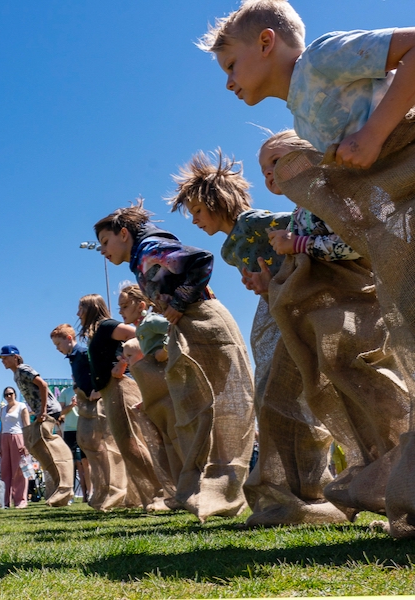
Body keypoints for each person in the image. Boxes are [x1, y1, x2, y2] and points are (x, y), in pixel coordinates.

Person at [167, 148, 346, 526]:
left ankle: (305, 493)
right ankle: (296, 492)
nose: (196, 220)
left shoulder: (255, 223)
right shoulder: (231, 246)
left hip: (296, 304)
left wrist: (283, 268)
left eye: (199, 210)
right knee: (274, 393)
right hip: (276, 305)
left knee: (285, 393)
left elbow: (301, 229)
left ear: (219, 201)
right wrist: (261, 282)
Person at [243, 130, 409, 519]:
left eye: (277, 161)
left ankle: (397, 481)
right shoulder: (301, 210)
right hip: (318, 314)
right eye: (264, 169)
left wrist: (296, 246)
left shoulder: (333, 192)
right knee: (325, 389)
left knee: (367, 384)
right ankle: (369, 484)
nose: (270, 174)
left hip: (352, 308)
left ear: (310, 157)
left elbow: (355, 242)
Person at [94, 202, 255, 521]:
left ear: (123, 234)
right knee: (197, 413)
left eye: (105, 242)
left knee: (219, 411)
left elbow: (200, 260)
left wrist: (179, 302)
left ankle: (221, 493)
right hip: (195, 326)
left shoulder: (149, 247)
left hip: (206, 323)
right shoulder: (142, 253)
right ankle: (195, 491)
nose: (103, 250)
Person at [200, 0, 415, 169]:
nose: (228, 83)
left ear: (265, 43)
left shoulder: (320, 59)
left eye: (231, 66)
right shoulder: (301, 126)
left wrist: (372, 134)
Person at [78, 293, 165, 511]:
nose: (78, 314)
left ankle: (163, 491)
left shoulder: (107, 326)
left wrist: (124, 363)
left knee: (132, 443)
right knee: (128, 446)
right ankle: (147, 493)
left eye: (81, 309)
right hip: (110, 391)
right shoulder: (99, 331)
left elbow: (140, 335)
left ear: (91, 309)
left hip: (120, 389)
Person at [116, 285, 183, 503]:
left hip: (170, 387)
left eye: (125, 306)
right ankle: (179, 491)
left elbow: (175, 329)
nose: (121, 312)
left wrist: (164, 351)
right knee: (168, 443)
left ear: (141, 305)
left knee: (178, 438)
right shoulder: (141, 329)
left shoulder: (152, 321)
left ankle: (190, 488)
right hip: (158, 394)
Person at [51, 323, 126, 511]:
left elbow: (101, 370)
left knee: (105, 447)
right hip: (87, 405)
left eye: (58, 344)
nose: (57, 349)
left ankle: (115, 488)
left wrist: (97, 390)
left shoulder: (84, 353)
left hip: (98, 405)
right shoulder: (72, 358)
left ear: (69, 338)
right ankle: (102, 490)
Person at [0, 346, 74, 506]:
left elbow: (43, 385)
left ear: (15, 357)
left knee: (42, 447)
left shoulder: (23, 369)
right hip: (41, 412)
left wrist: (43, 410)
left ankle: (65, 485)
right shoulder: (16, 375)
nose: (3, 361)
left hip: (49, 411)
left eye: (5, 357)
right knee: (38, 448)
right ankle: (61, 487)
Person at [0, 387, 30, 509]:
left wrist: (27, 443)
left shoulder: (22, 406)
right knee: (5, 470)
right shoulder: (3, 409)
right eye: (6, 395)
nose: (8, 396)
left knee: (20, 469)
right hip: (5, 438)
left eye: (10, 394)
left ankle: (21, 500)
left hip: (18, 437)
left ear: (15, 394)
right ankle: (5, 501)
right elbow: (2, 426)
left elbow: (27, 426)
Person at [57, 386, 89, 503]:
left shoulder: (86, 388)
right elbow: (61, 412)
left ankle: (88, 494)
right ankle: (69, 495)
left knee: (84, 463)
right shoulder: (65, 392)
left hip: (85, 427)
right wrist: (72, 405)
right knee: (70, 463)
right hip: (69, 430)